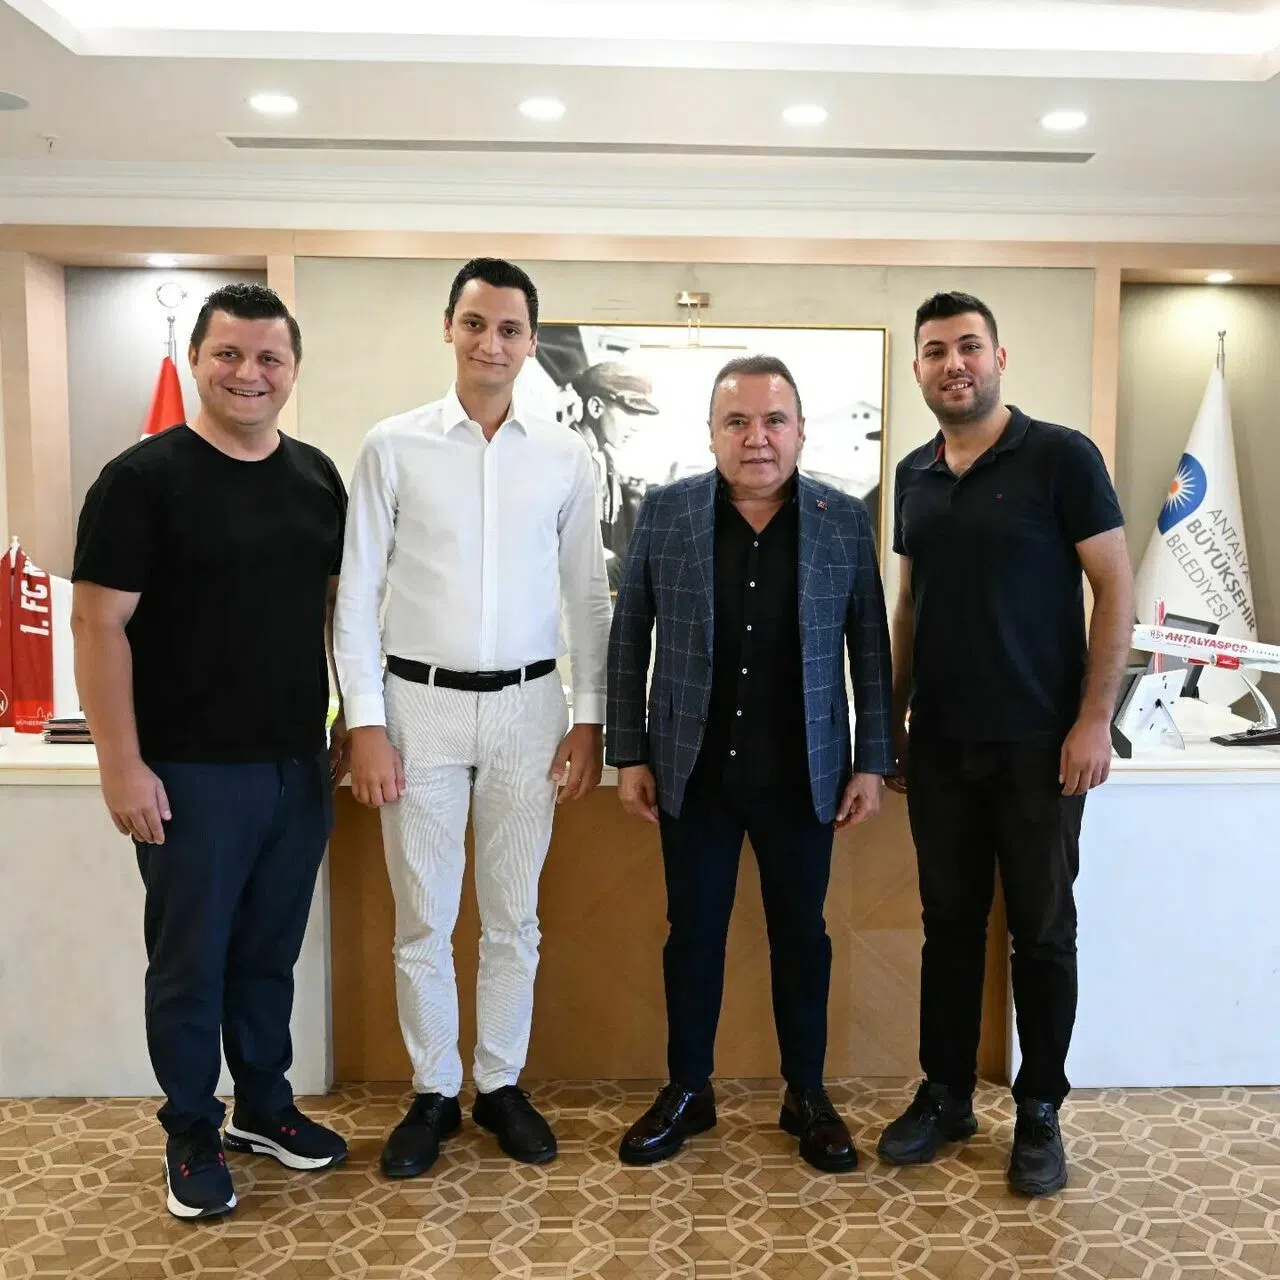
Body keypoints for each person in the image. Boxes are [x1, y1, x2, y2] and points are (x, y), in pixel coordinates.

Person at [71, 283, 350, 1221]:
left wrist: (345, 718)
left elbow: (330, 615)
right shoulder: (141, 480)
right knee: (191, 963)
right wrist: (121, 763)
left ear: (293, 369)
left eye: (270, 357)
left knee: (269, 955)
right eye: (229, 353)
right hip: (188, 773)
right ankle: (192, 1128)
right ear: (197, 359)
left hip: (296, 768)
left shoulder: (316, 478)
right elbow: (97, 624)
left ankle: (263, 1107)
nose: (249, 373)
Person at [334, 258, 611, 1178]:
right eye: (476, 324)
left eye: (510, 329)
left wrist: (589, 718)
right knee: (424, 916)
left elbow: (587, 597)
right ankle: (432, 1091)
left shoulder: (565, 456)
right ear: (448, 328)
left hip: (531, 708)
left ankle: (498, 1083)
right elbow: (356, 595)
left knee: (512, 917)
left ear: (532, 342)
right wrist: (365, 722)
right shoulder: (393, 445)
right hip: (418, 707)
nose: (492, 343)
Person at [607, 355, 893, 1174]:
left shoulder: (842, 520)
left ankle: (807, 1095)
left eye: (774, 421)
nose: (756, 437)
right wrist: (628, 752)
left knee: (802, 936)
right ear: (712, 433)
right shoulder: (667, 513)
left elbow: (868, 647)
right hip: (692, 773)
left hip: (804, 775)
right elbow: (630, 637)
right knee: (691, 935)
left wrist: (871, 761)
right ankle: (687, 1091)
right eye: (737, 421)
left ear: (800, 432)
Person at [877, 291, 1132, 1196]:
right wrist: (890, 721)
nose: (954, 364)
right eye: (935, 350)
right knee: (948, 926)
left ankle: (1040, 1111)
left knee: (1043, 933)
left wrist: (1093, 719)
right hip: (942, 747)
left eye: (969, 347)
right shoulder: (914, 473)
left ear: (999, 358)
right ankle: (946, 1094)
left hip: (1040, 747)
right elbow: (910, 607)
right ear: (919, 368)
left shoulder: (1062, 456)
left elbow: (1115, 589)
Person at [568, 361, 660, 587]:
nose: (636, 426)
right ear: (596, 408)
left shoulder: (604, 460)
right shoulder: (564, 457)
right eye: (629, 412)